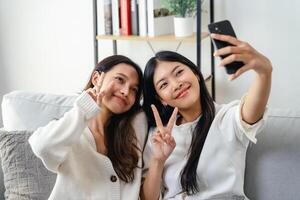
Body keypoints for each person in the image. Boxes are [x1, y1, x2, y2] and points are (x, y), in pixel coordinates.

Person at [141, 33, 272, 200]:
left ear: (196, 73)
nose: (176, 84)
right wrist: (158, 161)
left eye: (179, 72)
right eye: (164, 84)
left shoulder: (227, 118)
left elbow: (253, 111)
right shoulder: (158, 136)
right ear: (161, 98)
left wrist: (264, 71)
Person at [29, 55, 147, 200]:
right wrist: (83, 110)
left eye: (134, 90)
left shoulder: (133, 132)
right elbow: (42, 146)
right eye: (120, 80)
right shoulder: (71, 129)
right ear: (96, 79)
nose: (126, 91)